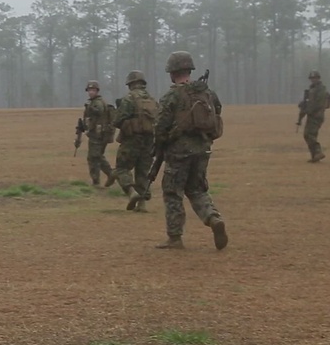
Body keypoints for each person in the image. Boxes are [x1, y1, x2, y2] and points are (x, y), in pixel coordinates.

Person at [153, 51, 228, 250]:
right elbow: (217, 110)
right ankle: (213, 218)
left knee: (172, 192)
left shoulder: (172, 95)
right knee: (197, 189)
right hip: (203, 148)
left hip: (179, 151)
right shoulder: (206, 92)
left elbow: (160, 125)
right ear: (189, 70)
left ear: (172, 73)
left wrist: (161, 142)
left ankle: (175, 237)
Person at [112, 70, 157, 212]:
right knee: (143, 171)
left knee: (121, 168)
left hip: (132, 139)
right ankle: (142, 204)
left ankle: (132, 192)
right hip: (149, 140)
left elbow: (117, 120)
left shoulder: (129, 98)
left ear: (130, 84)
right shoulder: (152, 100)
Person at [79, 80, 115, 187]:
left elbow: (99, 111)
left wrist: (89, 107)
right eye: (89, 90)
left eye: (93, 90)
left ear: (97, 91)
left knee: (94, 157)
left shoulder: (97, 102)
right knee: (97, 156)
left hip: (98, 135)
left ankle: (100, 179)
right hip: (95, 133)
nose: (91, 92)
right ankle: (108, 175)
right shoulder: (93, 102)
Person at [301, 70, 330, 163]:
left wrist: (308, 110)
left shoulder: (321, 89)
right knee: (310, 134)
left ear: (318, 78)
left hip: (317, 115)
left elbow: (318, 103)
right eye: (312, 78)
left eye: (315, 78)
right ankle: (314, 155)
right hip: (312, 114)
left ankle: (318, 151)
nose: (313, 80)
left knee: (309, 134)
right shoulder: (312, 89)